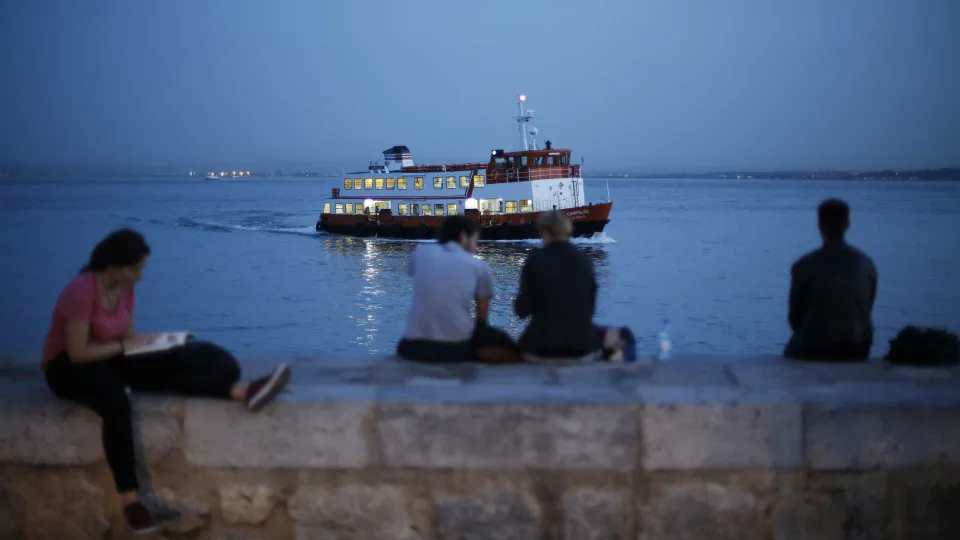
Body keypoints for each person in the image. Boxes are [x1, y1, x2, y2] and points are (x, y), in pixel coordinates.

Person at [41, 228, 292, 534]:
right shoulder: (81, 291)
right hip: (67, 368)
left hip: (108, 357)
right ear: (115, 266)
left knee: (191, 357)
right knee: (116, 400)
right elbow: (78, 352)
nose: (140, 276)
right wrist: (124, 348)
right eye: (136, 268)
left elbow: (129, 337)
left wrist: (161, 343)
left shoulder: (125, 289)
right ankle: (130, 499)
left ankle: (242, 391)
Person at [514, 210, 635, 361]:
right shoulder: (585, 260)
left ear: (543, 232)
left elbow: (521, 311)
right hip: (582, 346)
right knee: (625, 335)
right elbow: (590, 309)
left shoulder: (534, 260)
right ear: (568, 230)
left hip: (540, 346)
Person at [397, 216, 520, 363]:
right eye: (475, 240)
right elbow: (482, 318)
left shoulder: (420, 253)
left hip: (411, 348)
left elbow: (413, 273)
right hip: (456, 349)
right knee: (502, 340)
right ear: (463, 236)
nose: (477, 247)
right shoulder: (479, 267)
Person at [784, 199, 878, 361]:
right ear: (848, 224)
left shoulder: (804, 265)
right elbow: (867, 308)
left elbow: (795, 317)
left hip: (815, 347)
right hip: (858, 347)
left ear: (820, 226)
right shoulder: (866, 264)